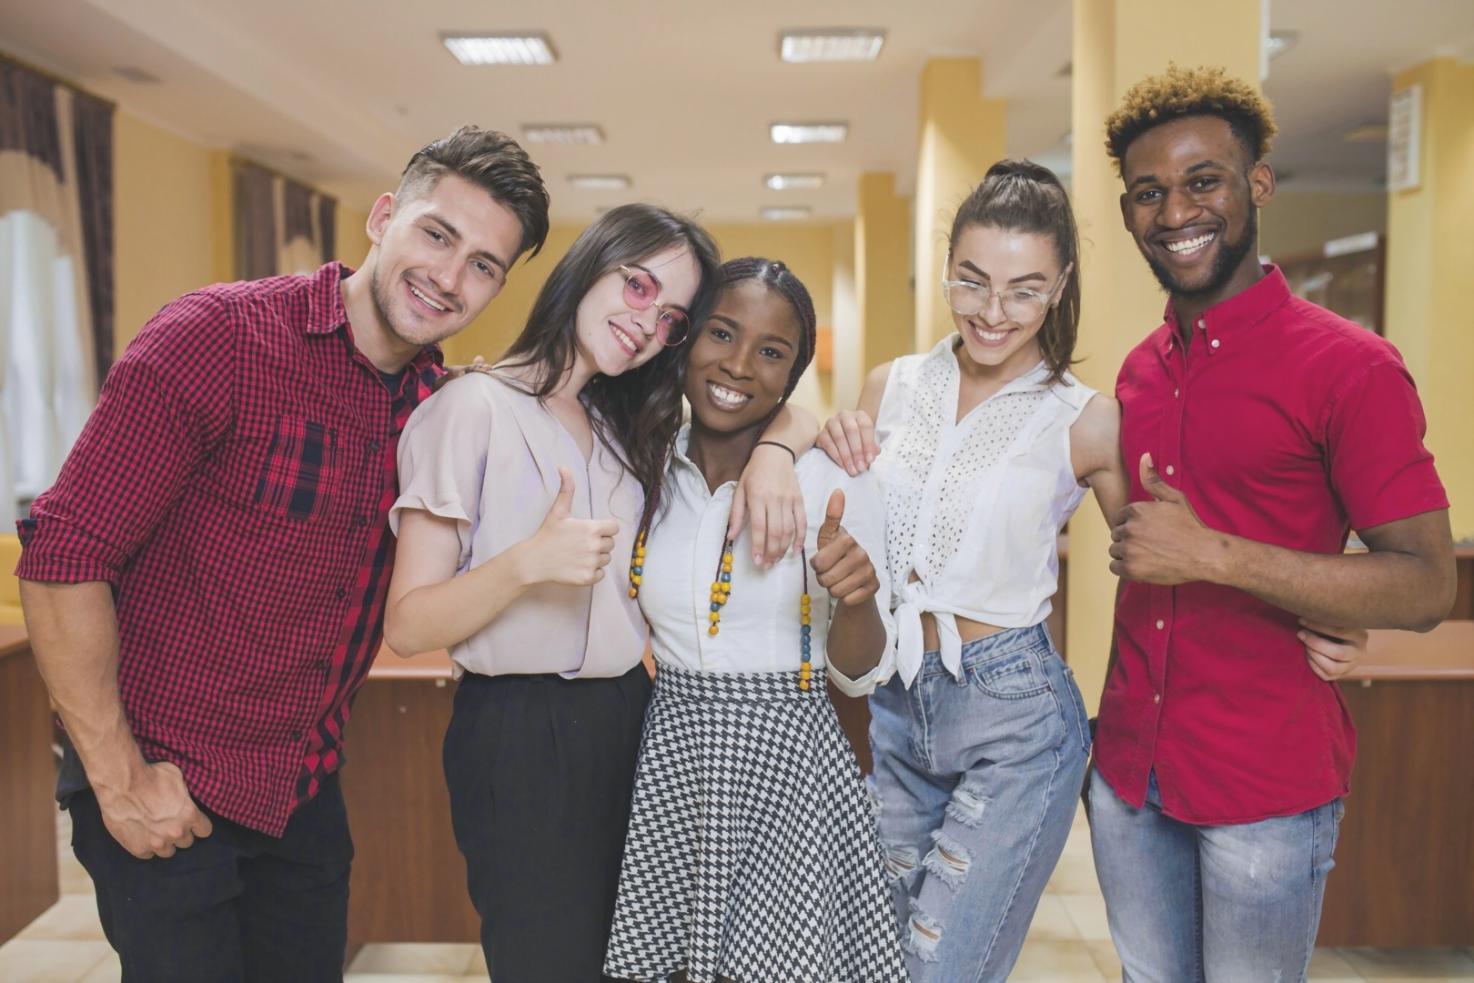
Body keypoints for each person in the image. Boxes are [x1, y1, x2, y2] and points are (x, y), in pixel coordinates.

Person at [15, 126, 551, 981]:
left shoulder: (436, 407)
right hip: (166, 780)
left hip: (301, 792)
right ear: (384, 217)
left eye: (485, 265)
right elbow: (62, 553)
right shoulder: (219, 336)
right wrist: (117, 778)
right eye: (437, 234)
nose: (450, 277)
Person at [815, 159, 1367, 982]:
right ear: (947, 269)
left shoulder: (1087, 418)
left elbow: (1176, 557)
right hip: (900, 707)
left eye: (1025, 289)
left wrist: (1327, 605)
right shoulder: (889, 386)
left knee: (939, 968)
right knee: (868, 959)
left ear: (1062, 283)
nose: (993, 313)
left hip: (1016, 718)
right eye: (971, 281)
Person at [1090, 65, 1456, 982]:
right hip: (1133, 770)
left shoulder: (1350, 368)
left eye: (1203, 180)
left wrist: (1210, 552)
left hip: (1264, 780)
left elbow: (1424, 580)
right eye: (1149, 192)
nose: (1176, 211)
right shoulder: (1136, 373)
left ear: (1257, 183)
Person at [383, 215, 817, 982]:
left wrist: (785, 442)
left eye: (672, 318)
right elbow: (410, 622)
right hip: (521, 732)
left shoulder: (629, 426)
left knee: (648, 964)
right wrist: (527, 564)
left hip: (637, 721)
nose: (647, 322)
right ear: (590, 268)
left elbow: (761, 401)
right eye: (638, 285)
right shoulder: (470, 408)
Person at [602, 258, 909, 983]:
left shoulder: (834, 478)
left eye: (771, 351)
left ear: (794, 374)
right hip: (671, 752)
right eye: (721, 333)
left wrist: (859, 598)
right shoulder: (642, 465)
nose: (738, 364)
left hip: (789, 765)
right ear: (685, 339)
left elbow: (861, 673)